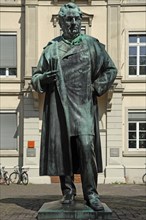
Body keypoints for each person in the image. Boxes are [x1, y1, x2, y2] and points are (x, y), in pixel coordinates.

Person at [31, 2, 117, 211]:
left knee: (87, 148)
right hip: (60, 107)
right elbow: (35, 78)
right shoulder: (52, 49)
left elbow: (110, 69)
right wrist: (43, 79)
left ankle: (91, 194)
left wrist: (97, 87)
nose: (73, 23)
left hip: (84, 105)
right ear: (61, 22)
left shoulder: (92, 45)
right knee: (64, 150)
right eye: (68, 19)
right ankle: (68, 192)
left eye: (76, 19)